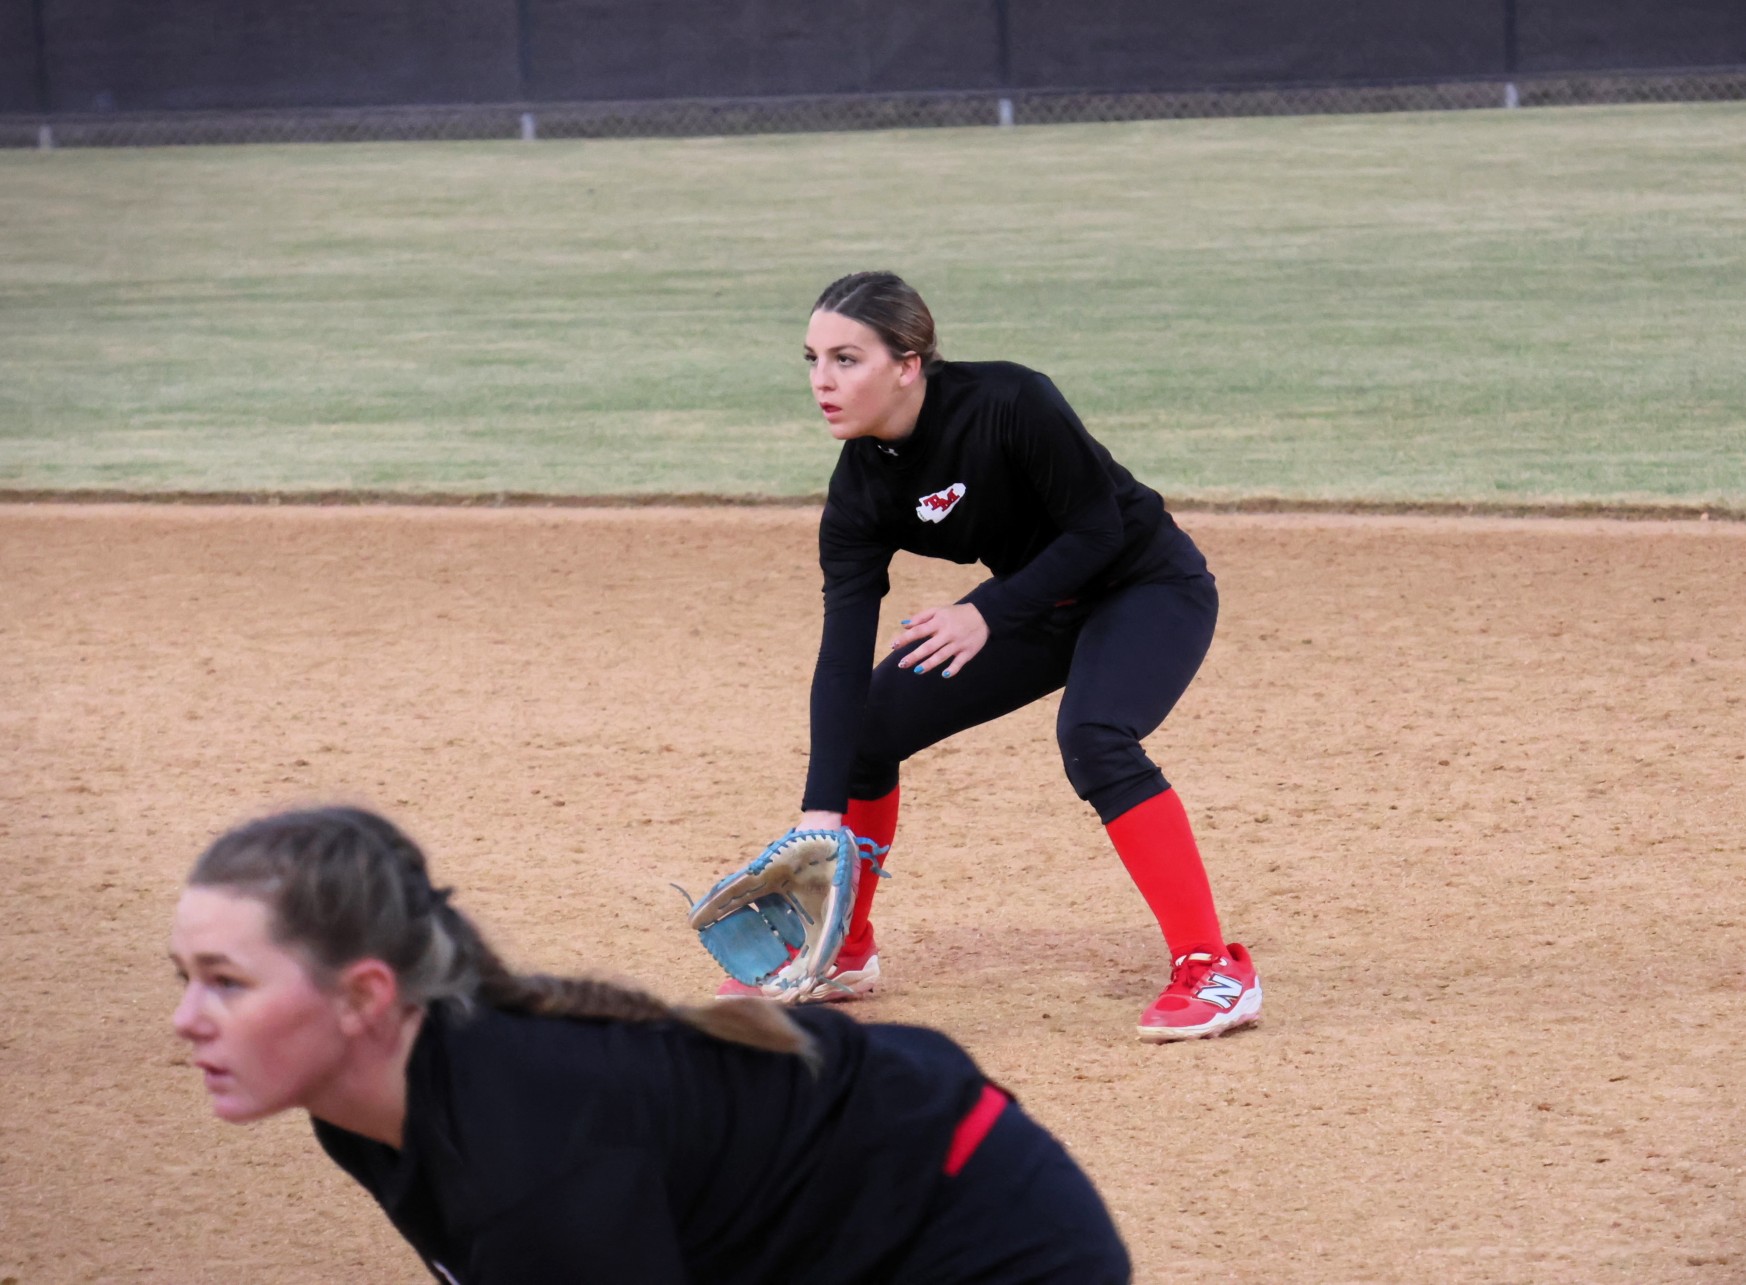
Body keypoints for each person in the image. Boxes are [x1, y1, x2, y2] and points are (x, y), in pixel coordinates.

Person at [169, 805, 1131, 1284]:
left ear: (364, 996)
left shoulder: (530, 1149)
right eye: (188, 979)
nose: (188, 1019)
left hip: (973, 1230)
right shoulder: (361, 1115)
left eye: (228, 980)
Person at [720, 271, 1260, 1043]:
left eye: (846, 358)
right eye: (811, 359)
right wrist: (820, 810)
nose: (822, 382)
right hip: (1038, 604)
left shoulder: (1010, 401)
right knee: (868, 731)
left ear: (908, 363)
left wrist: (986, 611)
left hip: (1148, 584)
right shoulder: (860, 494)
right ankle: (844, 947)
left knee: (1096, 736)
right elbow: (842, 655)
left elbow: (1099, 531)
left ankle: (1215, 967)